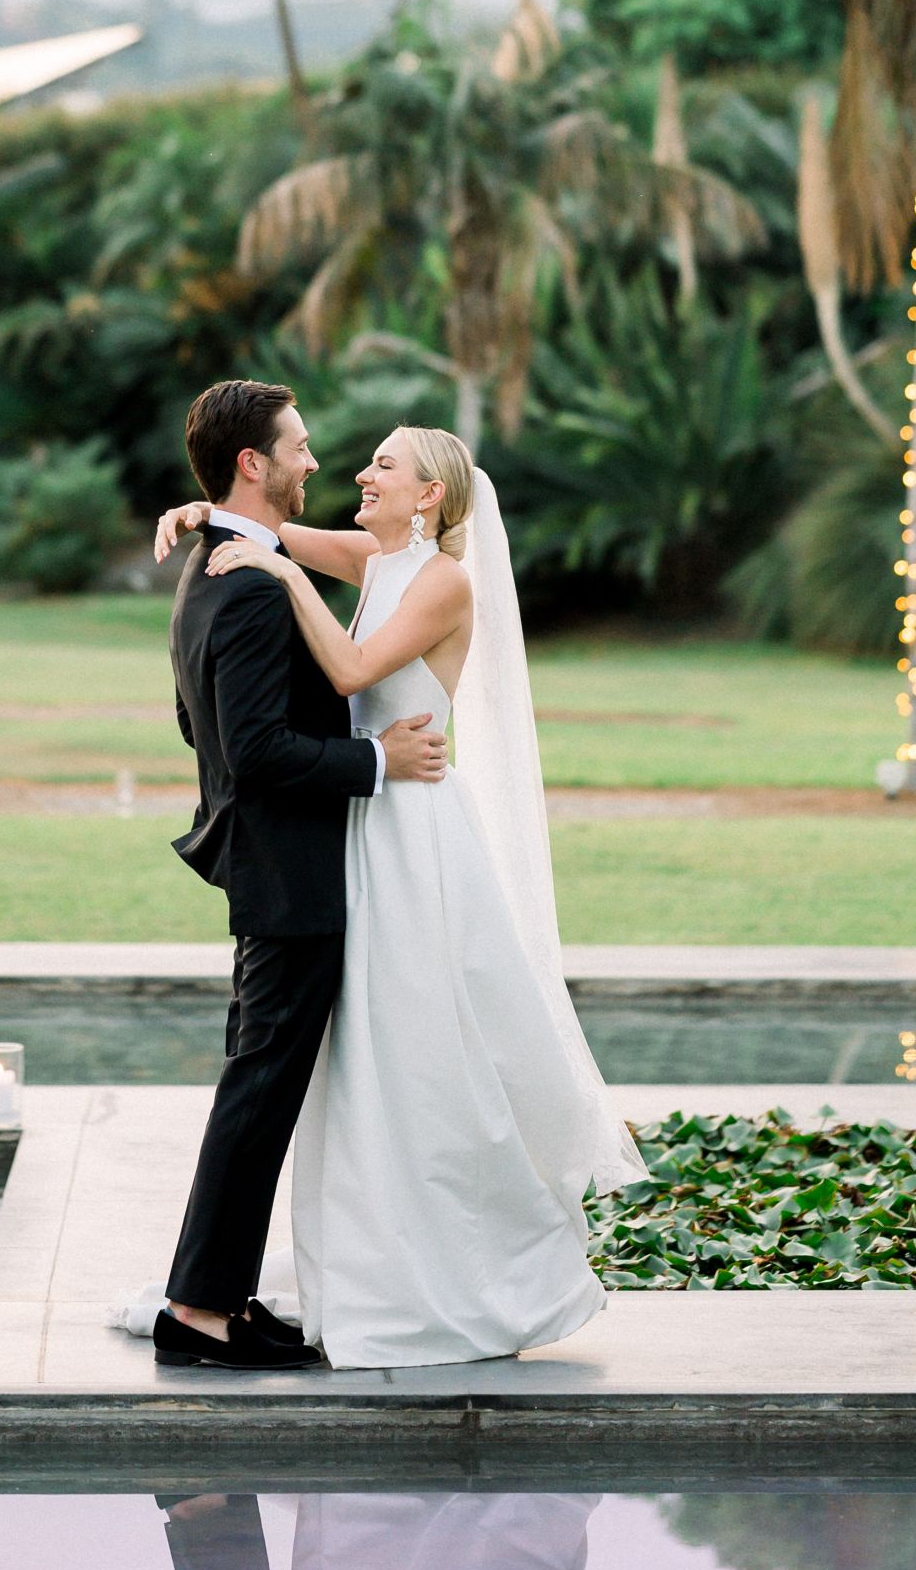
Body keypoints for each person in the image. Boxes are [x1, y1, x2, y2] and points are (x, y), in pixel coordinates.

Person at [154, 417, 645, 1370]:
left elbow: (344, 666)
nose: (354, 470)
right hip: (359, 828)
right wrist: (209, 511)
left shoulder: (443, 578)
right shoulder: (375, 558)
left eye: (384, 463)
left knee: (426, 1050)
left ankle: (462, 1270)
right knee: (363, 1066)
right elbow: (273, 530)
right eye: (354, 457)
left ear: (430, 495)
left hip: (413, 832)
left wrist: (282, 577)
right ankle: (348, 1272)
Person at [153, 379, 450, 1372]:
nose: (317, 462)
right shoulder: (243, 580)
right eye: (300, 445)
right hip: (288, 868)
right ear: (254, 461)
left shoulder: (222, 562)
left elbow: (204, 725)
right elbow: (255, 749)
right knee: (260, 1083)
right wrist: (377, 763)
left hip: (281, 862)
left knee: (265, 1079)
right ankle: (197, 1312)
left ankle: (217, 1294)